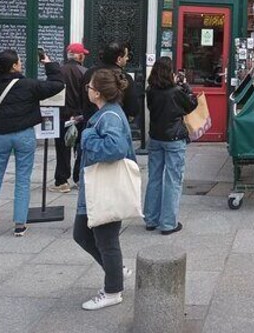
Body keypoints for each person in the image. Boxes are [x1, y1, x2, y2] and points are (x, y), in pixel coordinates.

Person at [0, 49, 64, 238]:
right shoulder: (29, 85)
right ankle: (20, 224)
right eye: (19, 61)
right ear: (14, 66)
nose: (21, 64)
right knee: (23, 179)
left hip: (0, 135)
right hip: (24, 134)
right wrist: (48, 64)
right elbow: (57, 84)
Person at [73, 68, 136, 310]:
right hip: (96, 187)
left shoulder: (109, 116)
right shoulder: (105, 113)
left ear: (97, 93)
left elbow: (115, 148)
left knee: (107, 240)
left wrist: (87, 136)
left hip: (105, 188)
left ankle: (113, 290)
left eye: (89, 87)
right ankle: (116, 271)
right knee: (82, 233)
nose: (87, 89)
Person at [144, 56, 197, 234]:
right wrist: (186, 87)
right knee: (173, 180)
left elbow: (153, 108)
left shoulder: (150, 90)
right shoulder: (175, 91)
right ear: (170, 72)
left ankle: (151, 219)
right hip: (174, 138)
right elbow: (191, 105)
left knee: (154, 178)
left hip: (156, 137)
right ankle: (168, 223)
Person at [74, 42, 140, 184]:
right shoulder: (124, 78)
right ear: (118, 58)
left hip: (92, 127)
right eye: (126, 56)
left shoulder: (89, 73)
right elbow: (134, 107)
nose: (127, 59)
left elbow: (115, 148)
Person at [49, 42, 89, 193]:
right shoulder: (85, 72)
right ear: (78, 56)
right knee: (80, 147)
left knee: (63, 148)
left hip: (62, 116)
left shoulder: (59, 72)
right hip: (80, 116)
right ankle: (79, 178)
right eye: (83, 54)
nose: (84, 56)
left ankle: (62, 181)